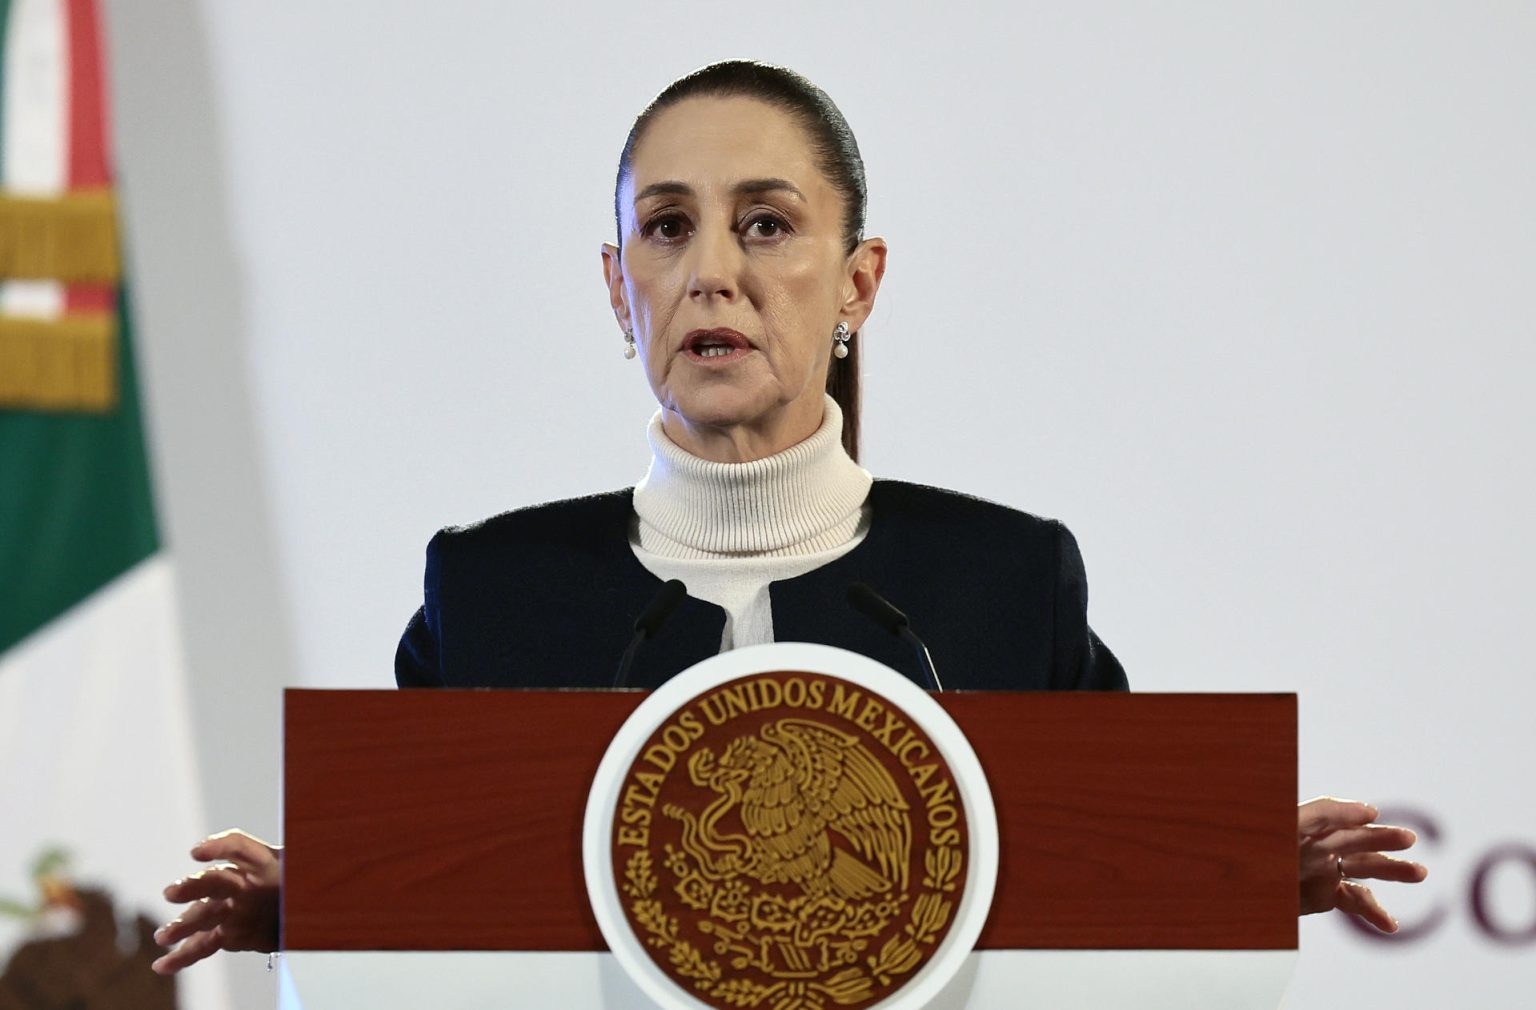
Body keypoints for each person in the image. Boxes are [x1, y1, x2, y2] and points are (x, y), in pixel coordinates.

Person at [152, 60, 1426, 975]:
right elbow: (437, 922)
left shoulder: (1002, 579)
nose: (713, 269)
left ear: (859, 280)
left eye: (767, 223)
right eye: (666, 229)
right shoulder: (490, 589)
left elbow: (1099, 889)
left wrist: (1236, 871)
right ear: (618, 287)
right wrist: (316, 904)